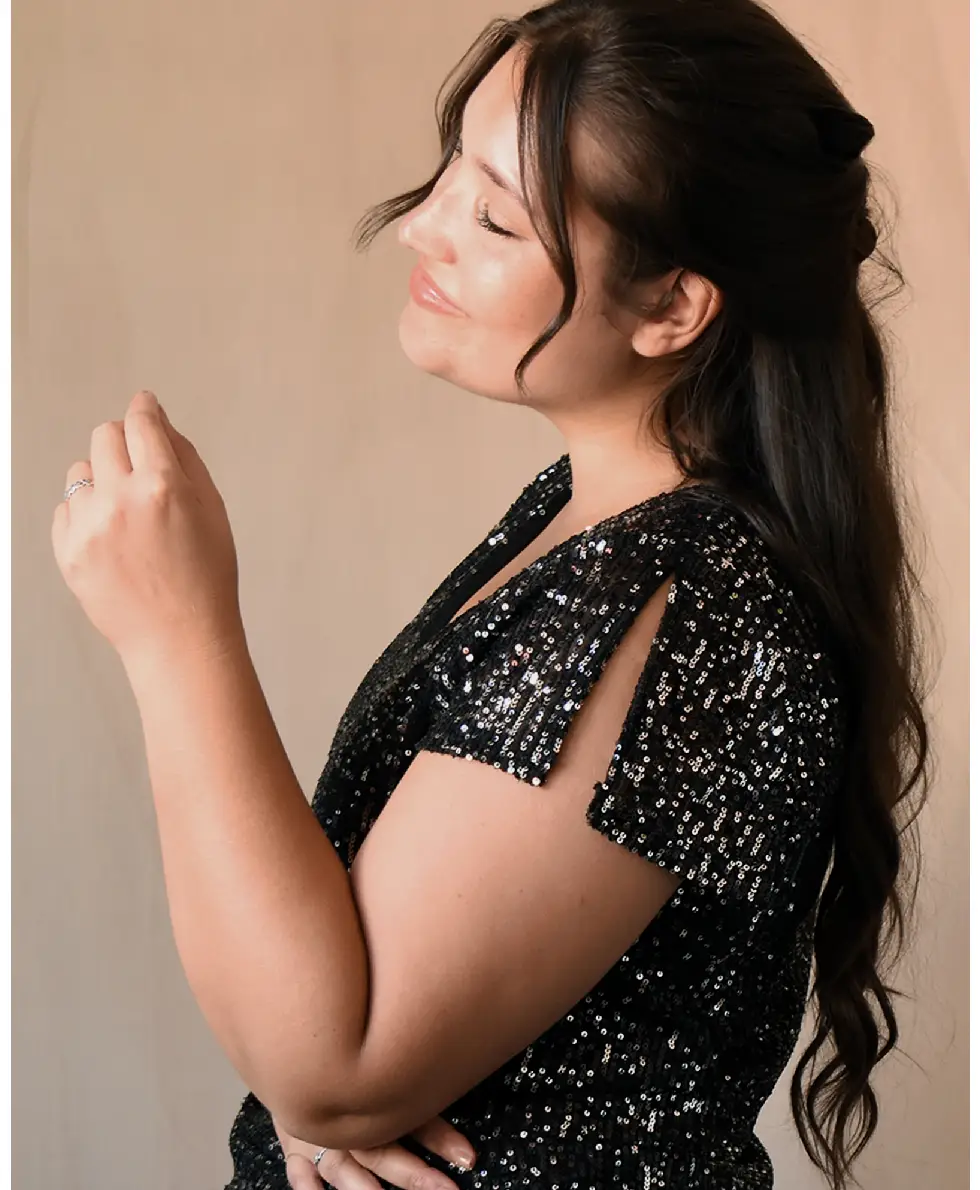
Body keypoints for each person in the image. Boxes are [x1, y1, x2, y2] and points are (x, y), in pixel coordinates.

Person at [51, 1, 934, 1189]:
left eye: (493, 216)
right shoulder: (597, 521)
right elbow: (349, 1019)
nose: (420, 226)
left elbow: (333, 1060)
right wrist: (317, 1065)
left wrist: (175, 632)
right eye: (450, 171)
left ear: (672, 306)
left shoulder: (682, 604)